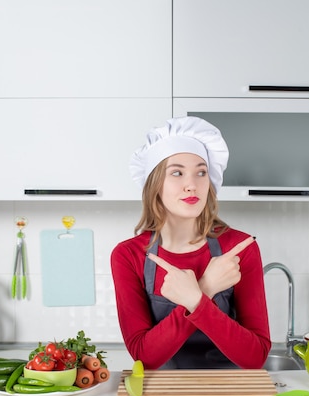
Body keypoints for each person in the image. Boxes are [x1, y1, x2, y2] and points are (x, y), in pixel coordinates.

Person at [110, 116, 271, 369]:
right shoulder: (128, 255)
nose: (191, 185)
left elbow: (255, 357)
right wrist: (205, 288)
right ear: (154, 184)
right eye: (177, 173)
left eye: (201, 173)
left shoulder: (239, 248)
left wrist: (195, 300)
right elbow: (145, 357)